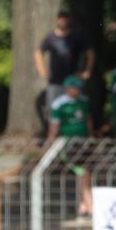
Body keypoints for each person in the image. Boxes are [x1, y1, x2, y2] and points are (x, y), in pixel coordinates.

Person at [48, 75, 93, 216]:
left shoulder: (84, 102)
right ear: (68, 88)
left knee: (87, 174)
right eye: (76, 88)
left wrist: (91, 138)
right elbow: (54, 126)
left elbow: (88, 121)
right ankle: (90, 205)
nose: (78, 90)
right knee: (83, 173)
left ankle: (83, 205)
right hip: (69, 144)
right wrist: (50, 143)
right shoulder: (58, 104)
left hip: (84, 142)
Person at [35, 11, 94, 119]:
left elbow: (90, 53)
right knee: (53, 109)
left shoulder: (77, 36)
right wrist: (42, 70)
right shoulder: (51, 37)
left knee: (75, 109)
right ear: (57, 19)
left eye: (65, 18)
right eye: (61, 18)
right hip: (55, 80)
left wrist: (87, 70)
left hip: (73, 80)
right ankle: (54, 134)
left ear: (69, 20)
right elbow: (38, 53)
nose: (63, 21)